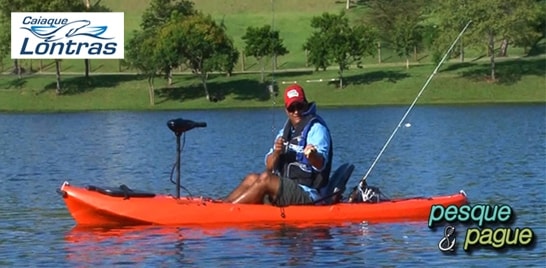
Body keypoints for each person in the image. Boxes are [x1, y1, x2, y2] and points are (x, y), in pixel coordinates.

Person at [224, 84, 333, 206]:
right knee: (251, 178)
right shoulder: (285, 132)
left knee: (266, 179)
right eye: (292, 108)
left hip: (309, 193)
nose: (296, 111)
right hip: (287, 186)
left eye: (300, 106)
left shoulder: (317, 129)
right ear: (286, 110)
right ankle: (221, 205)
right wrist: (276, 152)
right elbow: (269, 166)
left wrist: (312, 155)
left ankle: (228, 211)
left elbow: (320, 164)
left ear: (306, 105)